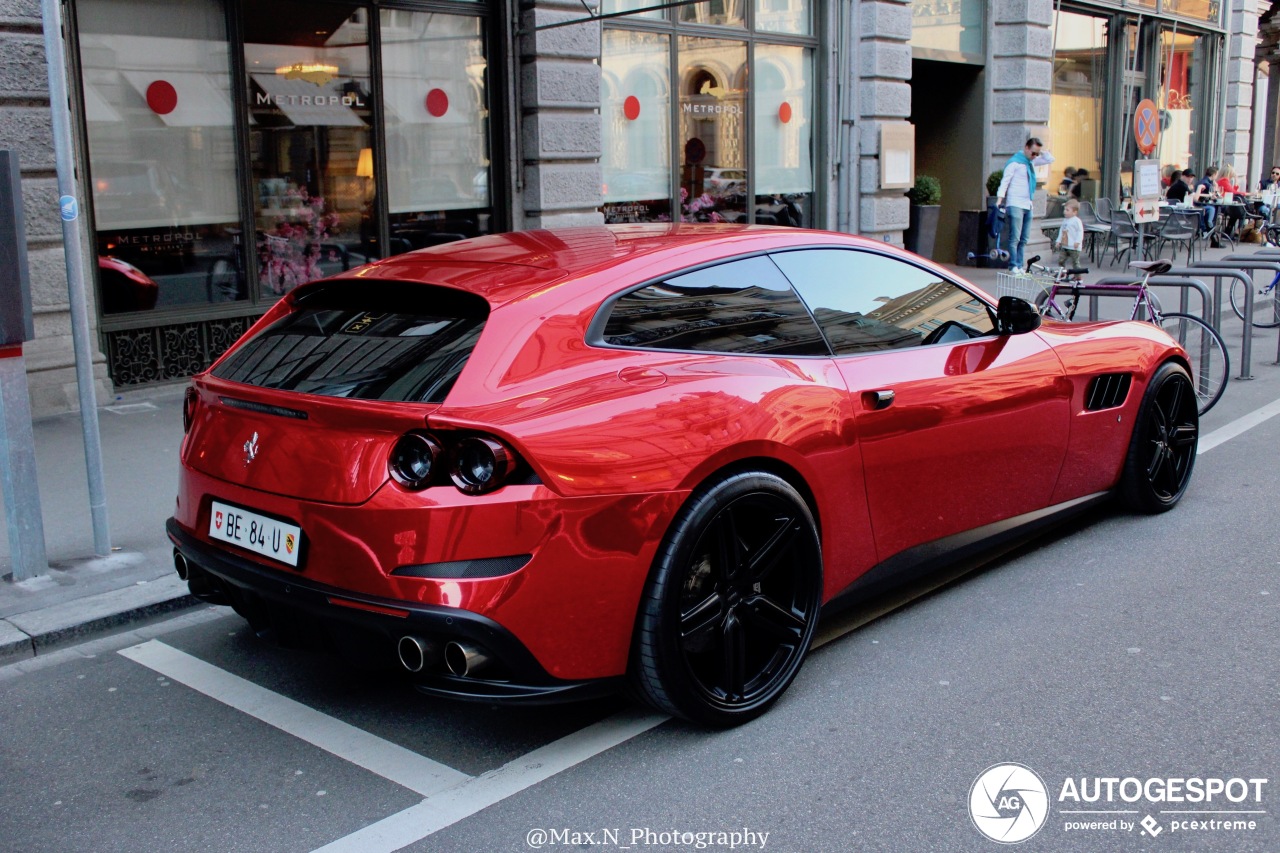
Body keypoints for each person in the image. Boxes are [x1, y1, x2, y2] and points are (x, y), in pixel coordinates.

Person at [996, 137, 1055, 271]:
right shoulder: (1014, 163)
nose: (1034, 156)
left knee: (1024, 239)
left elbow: (1050, 159)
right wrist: (999, 201)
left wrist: (1042, 151)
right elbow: (1004, 182)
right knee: (1015, 238)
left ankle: (1020, 265)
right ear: (1026, 148)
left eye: (1036, 154)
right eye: (1033, 153)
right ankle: (1013, 266)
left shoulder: (1031, 162)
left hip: (1027, 204)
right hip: (1015, 203)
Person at [1055, 199, 1084, 270]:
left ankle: (1078, 277)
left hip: (1074, 246)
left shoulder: (1077, 221)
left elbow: (1080, 231)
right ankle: (1062, 273)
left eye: (1067, 210)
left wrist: (1077, 241)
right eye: (1064, 210)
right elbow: (1061, 231)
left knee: (1075, 262)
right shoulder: (1065, 220)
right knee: (1061, 260)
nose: (1064, 212)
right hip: (1065, 245)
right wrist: (1058, 241)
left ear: (1074, 212)